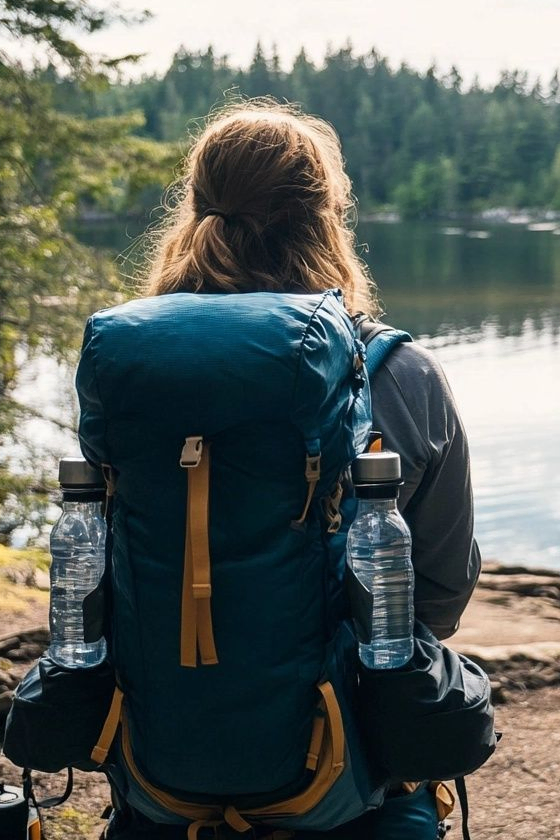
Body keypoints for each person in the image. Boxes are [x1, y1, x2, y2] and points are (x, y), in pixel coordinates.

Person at [104, 100, 481, 838]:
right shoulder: (400, 375)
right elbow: (440, 592)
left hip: (160, 772)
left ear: (193, 212)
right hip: (352, 779)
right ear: (328, 219)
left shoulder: (127, 369)